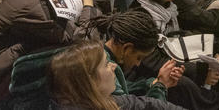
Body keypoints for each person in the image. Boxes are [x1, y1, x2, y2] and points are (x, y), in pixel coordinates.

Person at [49, 40, 185, 110]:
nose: (113, 66)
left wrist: (159, 85)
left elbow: (148, 105)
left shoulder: (107, 101)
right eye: (105, 64)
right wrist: (160, 85)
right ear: (89, 80)